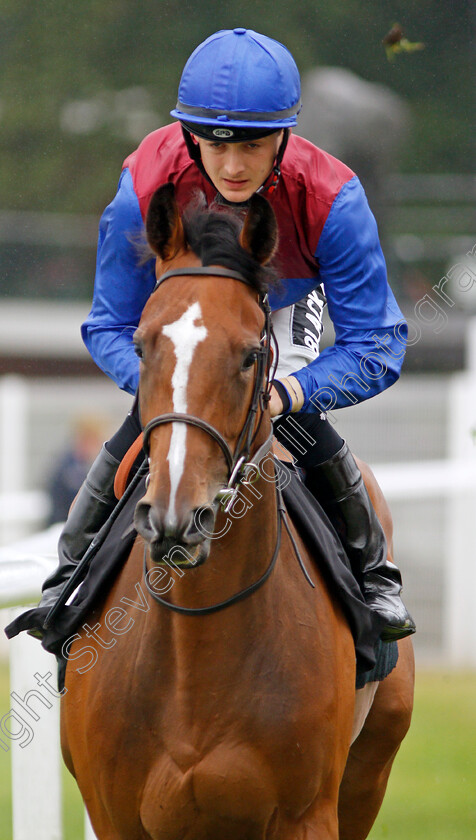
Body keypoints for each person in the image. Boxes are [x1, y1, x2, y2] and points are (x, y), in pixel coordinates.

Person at [37, 28, 415, 641]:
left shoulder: (333, 199)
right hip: (189, 328)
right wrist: (176, 384)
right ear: (189, 135)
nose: (234, 166)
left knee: (288, 421)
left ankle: (374, 576)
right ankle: (69, 575)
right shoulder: (142, 188)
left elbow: (379, 343)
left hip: (284, 309)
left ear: (285, 136)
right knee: (160, 417)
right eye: (215, 145)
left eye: (255, 145)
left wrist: (287, 393)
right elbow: (108, 322)